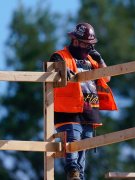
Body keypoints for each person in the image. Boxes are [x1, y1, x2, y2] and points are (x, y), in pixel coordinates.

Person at [49, 22, 117, 180]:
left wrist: (100, 60)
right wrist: (60, 68)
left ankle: (79, 175)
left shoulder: (91, 60)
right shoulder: (61, 56)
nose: (88, 48)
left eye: (91, 45)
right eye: (86, 44)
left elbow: (107, 77)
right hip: (67, 110)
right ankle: (72, 169)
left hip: (88, 110)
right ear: (75, 41)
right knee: (73, 139)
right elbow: (52, 66)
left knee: (84, 145)